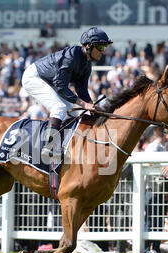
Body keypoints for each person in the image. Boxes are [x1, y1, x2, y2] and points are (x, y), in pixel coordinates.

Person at [21, 26, 113, 158]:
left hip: (50, 81)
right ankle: (48, 145)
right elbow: (60, 86)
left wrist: (91, 105)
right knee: (59, 107)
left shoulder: (87, 65)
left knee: (72, 113)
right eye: (100, 47)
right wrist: (84, 104)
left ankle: (64, 146)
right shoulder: (71, 57)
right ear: (88, 46)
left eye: (104, 48)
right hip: (34, 76)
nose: (102, 51)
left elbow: (81, 89)